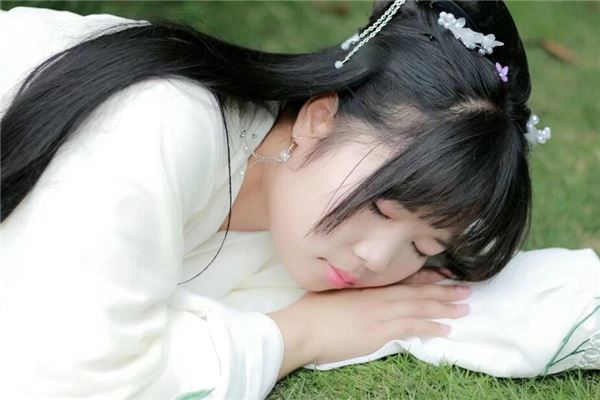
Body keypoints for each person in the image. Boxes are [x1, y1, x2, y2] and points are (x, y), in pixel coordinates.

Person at [0, 1, 555, 399]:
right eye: (381, 208)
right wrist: (300, 334)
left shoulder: (290, 217)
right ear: (319, 117)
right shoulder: (160, 124)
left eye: (422, 245)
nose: (377, 258)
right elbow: (63, 377)